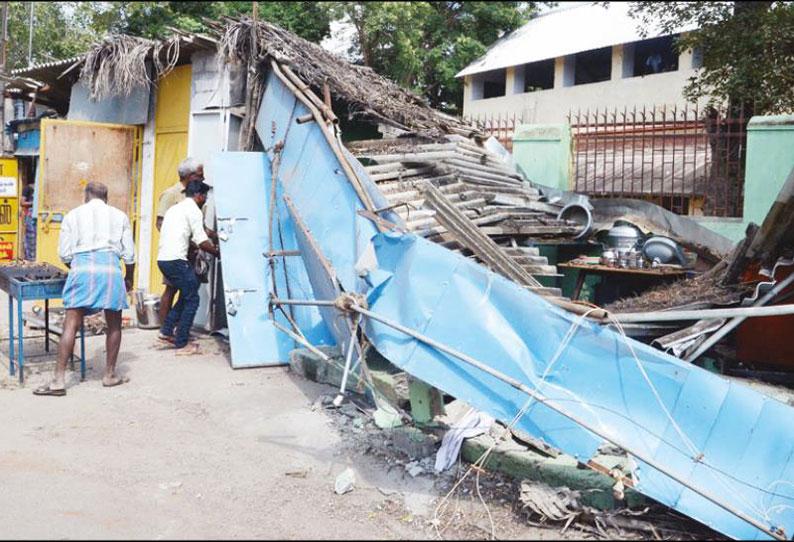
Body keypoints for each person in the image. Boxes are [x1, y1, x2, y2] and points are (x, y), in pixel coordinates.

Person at [34, 182, 135, 396]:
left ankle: (58, 381)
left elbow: (64, 254)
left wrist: (79, 268)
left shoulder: (73, 215)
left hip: (82, 267)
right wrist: (129, 279)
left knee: (71, 323)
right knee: (114, 324)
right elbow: (129, 255)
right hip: (110, 269)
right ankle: (109, 375)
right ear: (106, 197)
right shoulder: (120, 216)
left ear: (86, 196)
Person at [157, 179, 220, 355]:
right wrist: (217, 252)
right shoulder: (193, 210)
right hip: (177, 260)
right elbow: (201, 240)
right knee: (193, 299)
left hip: (164, 259)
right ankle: (182, 343)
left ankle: (167, 331)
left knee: (187, 294)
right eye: (205, 197)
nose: (206, 200)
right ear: (199, 196)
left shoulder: (175, 208)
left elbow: (200, 233)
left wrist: (215, 237)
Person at [20, 181, 35, 261]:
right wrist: (34, 203)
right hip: (30, 217)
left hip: (37, 218)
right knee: (30, 238)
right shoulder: (28, 188)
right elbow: (22, 202)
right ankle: (30, 259)